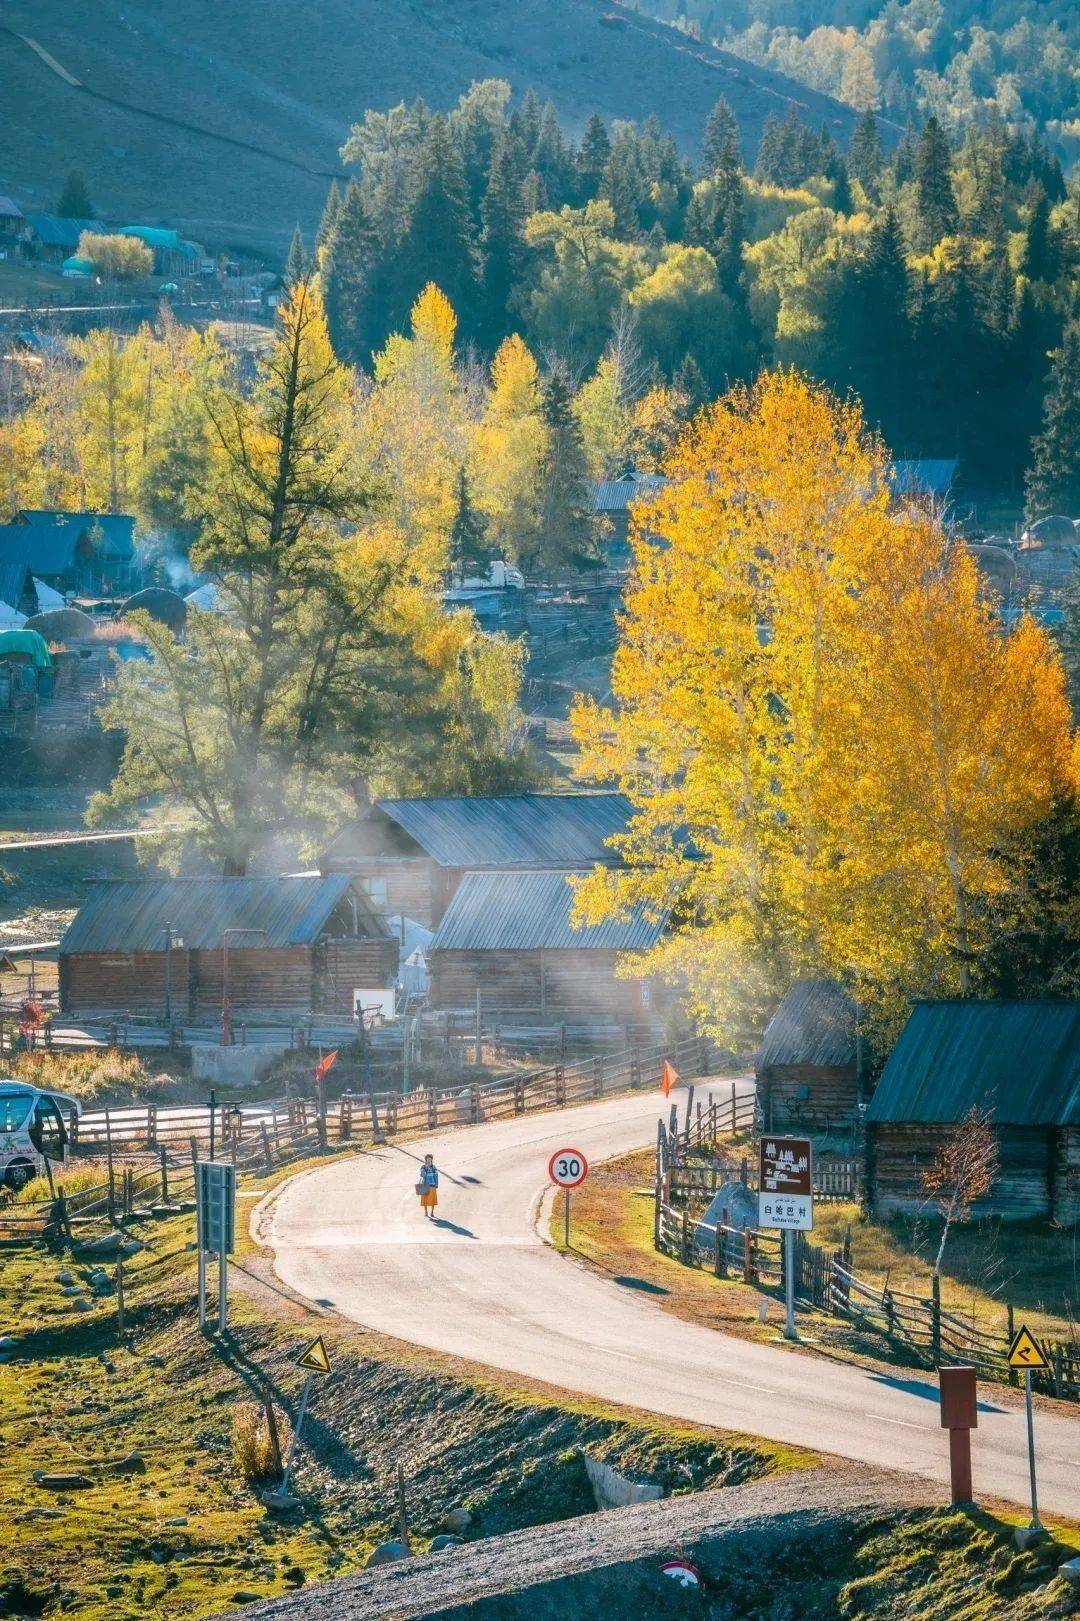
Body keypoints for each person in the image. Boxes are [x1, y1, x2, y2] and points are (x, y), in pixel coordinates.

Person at [418, 1153, 439, 1219]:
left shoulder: (434, 1167)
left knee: (433, 1199)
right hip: (425, 1184)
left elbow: (436, 1175)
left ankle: (432, 1212)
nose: (429, 1160)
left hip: (432, 1185)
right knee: (425, 1199)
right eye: (428, 1159)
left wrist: (436, 1184)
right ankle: (426, 1211)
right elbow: (422, 1174)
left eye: (430, 1159)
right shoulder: (423, 1167)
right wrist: (424, 1172)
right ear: (426, 1160)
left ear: (432, 1160)